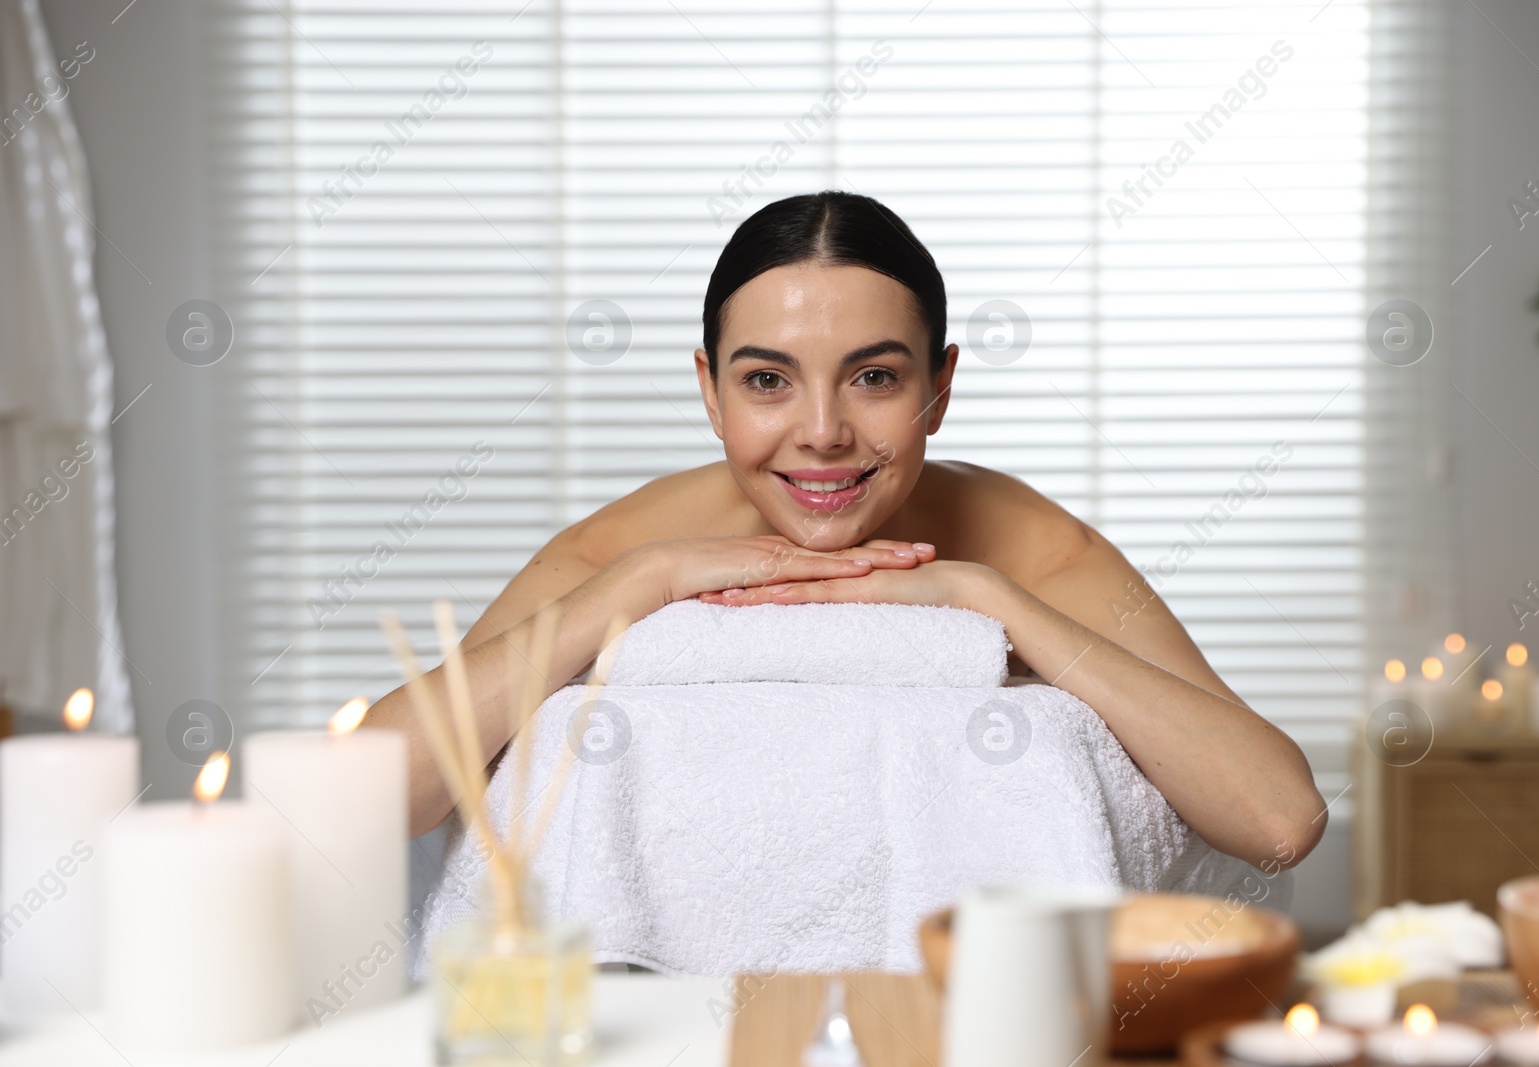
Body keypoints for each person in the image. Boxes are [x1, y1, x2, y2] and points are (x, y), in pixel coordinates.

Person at [365, 190, 1325, 872]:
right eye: (767, 380)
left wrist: (986, 596)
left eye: (874, 377)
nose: (822, 432)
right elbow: (373, 798)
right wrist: (633, 586)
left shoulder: (1032, 547)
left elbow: (1279, 819)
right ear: (708, 389)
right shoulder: (612, 551)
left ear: (940, 386)